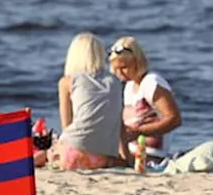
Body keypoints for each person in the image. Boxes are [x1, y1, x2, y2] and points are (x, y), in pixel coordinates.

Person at [50, 33, 126, 170]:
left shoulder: (68, 81)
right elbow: (118, 122)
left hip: (72, 153)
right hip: (102, 158)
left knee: (48, 152)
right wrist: (125, 156)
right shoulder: (115, 81)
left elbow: (66, 125)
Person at [110, 36, 182, 164]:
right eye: (117, 69)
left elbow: (174, 119)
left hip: (151, 154)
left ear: (137, 63)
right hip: (131, 150)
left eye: (124, 67)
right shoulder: (130, 86)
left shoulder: (151, 83)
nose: (120, 73)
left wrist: (139, 132)